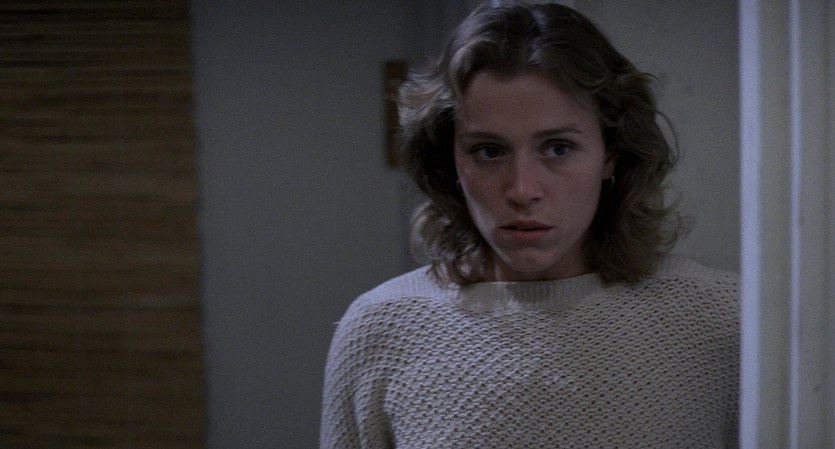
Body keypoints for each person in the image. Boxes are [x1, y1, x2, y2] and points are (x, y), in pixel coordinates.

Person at [321, 2, 739, 448]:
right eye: (488, 151)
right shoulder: (381, 327)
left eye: (558, 148)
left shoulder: (722, 320)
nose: (522, 190)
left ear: (611, 154)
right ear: (450, 162)